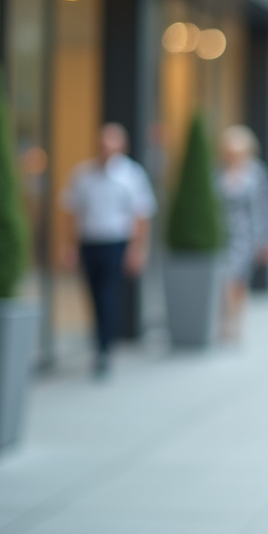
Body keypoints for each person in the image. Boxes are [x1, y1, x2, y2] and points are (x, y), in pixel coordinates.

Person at [60, 123, 156, 377]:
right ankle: (101, 342)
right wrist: (69, 245)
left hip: (116, 242)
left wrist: (137, 248)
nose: (106, 150)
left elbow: (141, 215)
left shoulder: (131, 175)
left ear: (121, 147)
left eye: (111, 145)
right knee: (93, 294)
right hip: (90, 241)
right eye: (103, 145)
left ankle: (105, 347)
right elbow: (72, 211)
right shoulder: (83, 175)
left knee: (107, 294)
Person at [217, 125, 268, 342]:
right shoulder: (219, 173)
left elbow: (265, 207)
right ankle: (225, 320)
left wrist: (267, 239)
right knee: (225, 278)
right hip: (223, 235)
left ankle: (235, 322)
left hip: (247, 235)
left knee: (237, 279)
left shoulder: (256, 172)